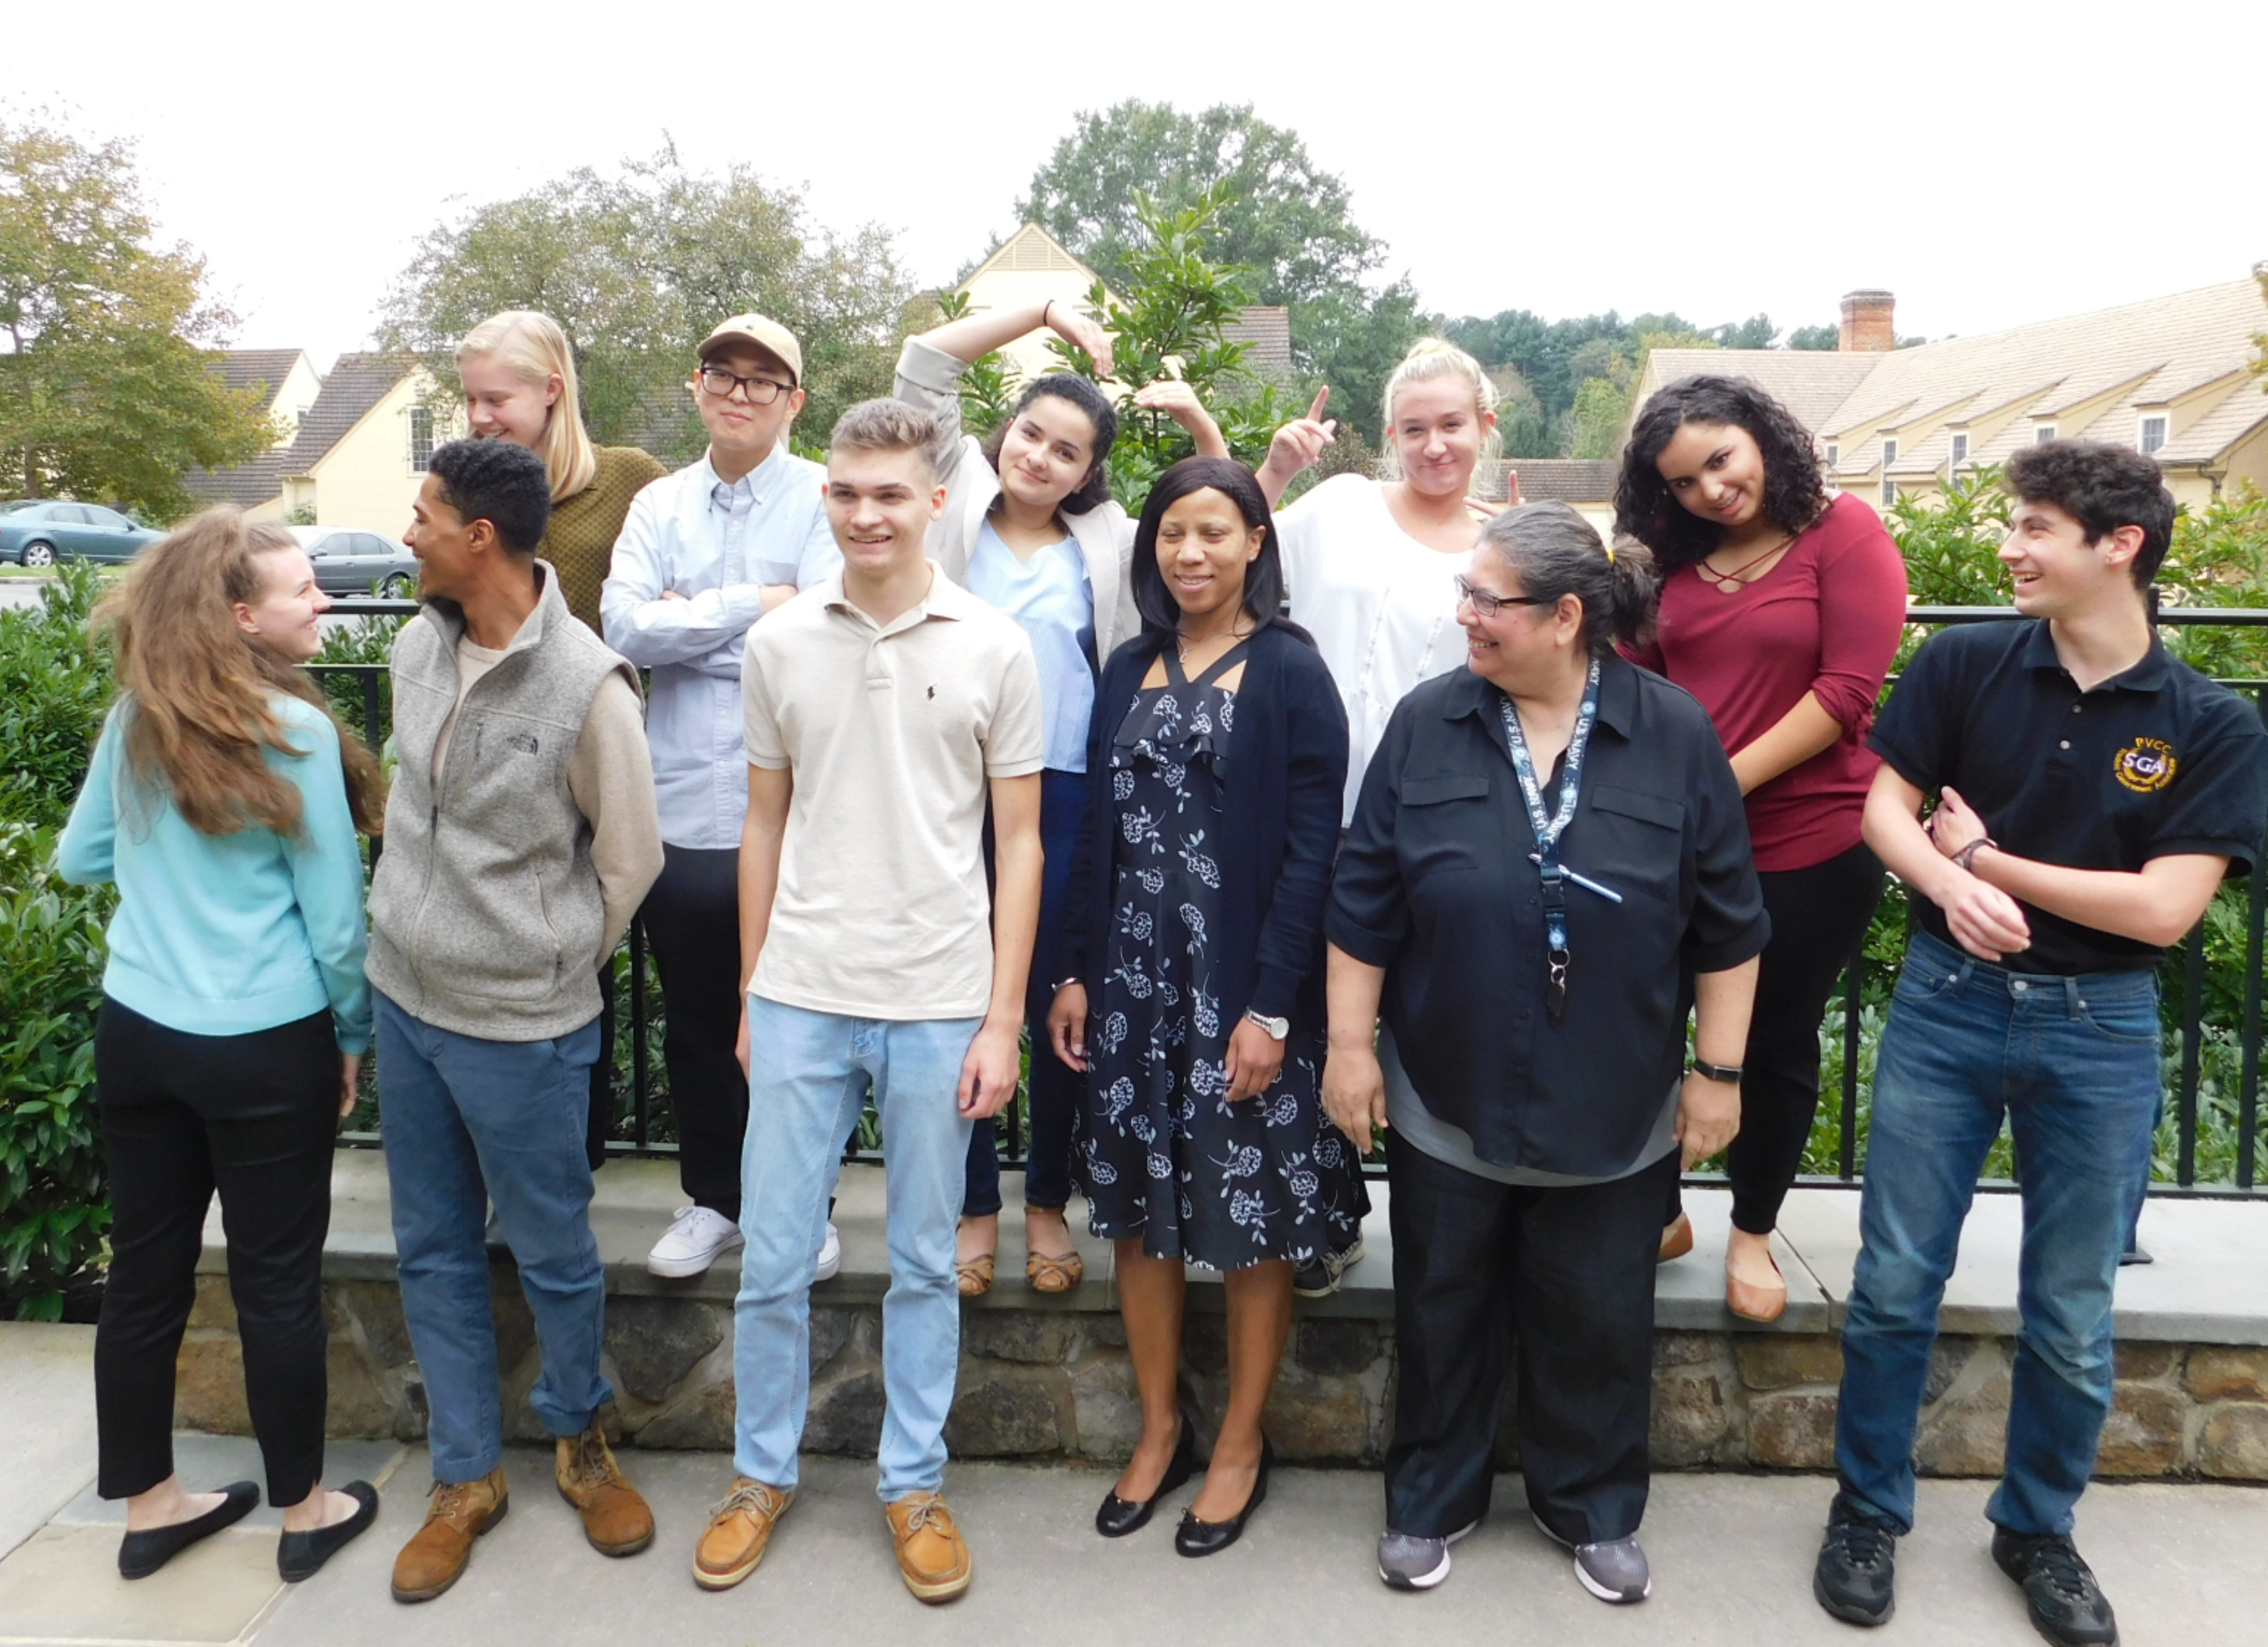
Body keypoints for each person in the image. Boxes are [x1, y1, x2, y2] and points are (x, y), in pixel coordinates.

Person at [1812, 443, 2268, 1647]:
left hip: (2101, 1034)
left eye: (2033, 528)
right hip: (1943, 1003)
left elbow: (2162, 911)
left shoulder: (2205, 724)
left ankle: (2037, 1531)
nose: (2009, 547)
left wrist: (1980, 862)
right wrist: (1940, 883)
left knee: (2068, 1309)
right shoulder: (1964, 661)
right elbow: (1878, 812)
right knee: (1893, 1280)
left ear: (2116, 546)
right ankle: (1866, 1512)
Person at [1325, 502, 1768, 1604]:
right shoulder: (1428, 723)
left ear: (1567, 616)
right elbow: (1364, 900)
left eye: (1487, 599)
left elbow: (1729, 924)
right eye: (1465, 593)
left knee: (1600, 1313)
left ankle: (1594, 1505)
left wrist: (1718, 1074)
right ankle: (1432, 1496)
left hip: (1614, 1096)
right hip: (1448, 1087)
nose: (1463, 614)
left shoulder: (1673, 735)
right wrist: (1348, 1047)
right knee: (1440, 1299)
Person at [693, 400, 1043, 1604]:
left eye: (889, 493)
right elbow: (761, 822)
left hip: (940, 996)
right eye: (844, 492)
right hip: (799, 992)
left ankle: (911, 1483)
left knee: (924, 1265)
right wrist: (750, 990)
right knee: (773, 1259)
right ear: (825, 497)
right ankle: (758, 1475)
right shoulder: (779, 646)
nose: (864, 513)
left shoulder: (995, 644)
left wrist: (1002, 1018)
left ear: (935, 501)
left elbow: (1022, 843)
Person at [57, 511, 385, 1583]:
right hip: (265, 1041)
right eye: (306, 591)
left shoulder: (137, 722)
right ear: (244, 617)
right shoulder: (295, 733)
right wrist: (351, 1036)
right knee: (275, 1283)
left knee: (146, 1275)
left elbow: (81, 860)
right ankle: (304, 1512)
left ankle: (151, 1506)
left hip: (140, 1032)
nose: (324, 602)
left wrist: (172, 882)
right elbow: (337, 924)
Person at [1047, 457, 1367, 1557]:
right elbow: (1095, 830)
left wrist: (1274, 1007)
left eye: (1214, 533)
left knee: (1249, 1228)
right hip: (1132, 992)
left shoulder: (1288, 669)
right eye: (1172, 533)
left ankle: (1239, 1443)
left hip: (1241, 997)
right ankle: (1160, 1428)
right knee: (1135, 1216)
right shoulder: (1128, 663)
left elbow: (1314, 849)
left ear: (1255, 546)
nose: (1191, 552)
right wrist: (1075, 969)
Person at [371, 438, 664, 1604]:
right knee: (433, 1248)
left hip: (525, 1028)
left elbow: (629, 862)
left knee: (553, 1254)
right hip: (404, 1004)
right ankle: (463, 1477)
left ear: (479, 538)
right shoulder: (411, 645)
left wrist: (544, 965)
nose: (408, 532)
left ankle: (580, 1442)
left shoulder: (589, 688)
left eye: (425, 514)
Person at [893, 298, 1231, 1297]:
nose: (1041, 456)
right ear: (1005, 438)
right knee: (960, 996)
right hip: (949, 787)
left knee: (1058, 1007)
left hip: (1072, 794)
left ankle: (1046, 1200)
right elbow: (923, 364)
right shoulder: (951, 496)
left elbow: (1219, 510)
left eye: (1068, 449)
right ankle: (971, 1207)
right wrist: (1044, 313)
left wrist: (1204, 427)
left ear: (1090, 472)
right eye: (1031, 433)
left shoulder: (1112, 541)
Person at [1615, 374, 1907, 1317]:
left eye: (1720, 459)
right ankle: (1660, 1213)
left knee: (1771, 1044)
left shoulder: (1843, 533)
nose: (1709, 489)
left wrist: (1718, 785)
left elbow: (1847, 693)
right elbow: (1639, 675)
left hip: (1811, 841)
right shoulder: (1672, 553)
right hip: (1675, 842)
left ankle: (1751, 1232)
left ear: (1762, 439)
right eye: (1685, 480)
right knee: (1644, 1027)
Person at [1251, 336, 1509, 1297]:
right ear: (1389, 433)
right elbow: (1226, 531)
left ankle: (1449, 1230)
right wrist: (1275, 467)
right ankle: (1323, 1211)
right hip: (1311, 803)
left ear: (1484, 425)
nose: (1434, 445)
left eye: (1452, 425)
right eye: (1414, 428)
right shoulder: (1342, 507)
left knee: (1424, 1014)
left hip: (1441, 813)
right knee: (1311, 1012)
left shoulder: (1500, 545)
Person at [603, 313, 841, 1281]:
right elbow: (624, 627)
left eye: (763, 379)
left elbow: (824, 626)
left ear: (794, 400)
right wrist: (757, 604)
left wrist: (688, 619)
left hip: (795, 808)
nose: (740, 391)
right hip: (678, 804)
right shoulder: (658, 504)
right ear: (697, 385)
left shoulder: (828, 496)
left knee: (798, 1020)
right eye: (723, 373)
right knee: (698, 1018)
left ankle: (804, 1204)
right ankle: (713, 1199)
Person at [456, 309, 667, 1166]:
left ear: (552, 389)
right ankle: (494, 1156)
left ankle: (570, 1159)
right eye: (469, 398)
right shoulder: (463, 485)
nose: (478, 415)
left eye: (495, 397)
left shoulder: (628, 479)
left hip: (599, 762)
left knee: (587, 956)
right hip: (499, 765)